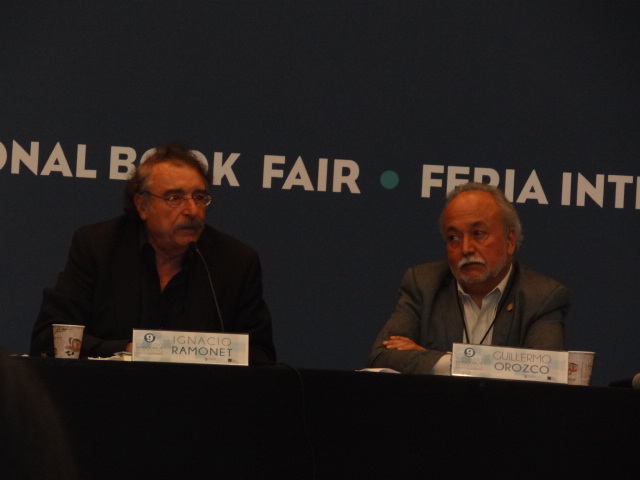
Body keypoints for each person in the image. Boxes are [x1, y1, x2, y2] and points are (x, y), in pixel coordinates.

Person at [30, 143, 275, 365]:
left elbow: (260, 354)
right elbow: (51, 337)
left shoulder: (235, 262)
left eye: (199, 197)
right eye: (175, 197)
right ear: (142, 205)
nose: (192, 210)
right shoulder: (98, 247)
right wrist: (127, 351)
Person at [367, 181, 568, 375]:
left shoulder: (542, 296)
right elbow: (381, 356)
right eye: (453, 238)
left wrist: (443, 362)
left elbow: (544, 371)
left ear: (509, 240)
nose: (465, 249)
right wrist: (457, 364)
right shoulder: (424, 284)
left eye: (478, 233)